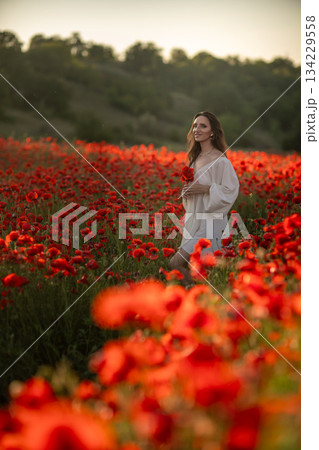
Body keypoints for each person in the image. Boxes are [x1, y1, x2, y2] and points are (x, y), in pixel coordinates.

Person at [169, 111, 240, 288]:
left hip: (210, 224)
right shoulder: (195, 159)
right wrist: (188, 192)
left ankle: (191, 293)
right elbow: (196, 191)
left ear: (212, 132)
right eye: (194, 125)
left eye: (203, 126)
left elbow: (231, 190)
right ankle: (197, 296)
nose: (197, 129)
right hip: (195, 221)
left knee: (175, 263)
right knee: (198, 269)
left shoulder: (221, 161)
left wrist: (207, 189)